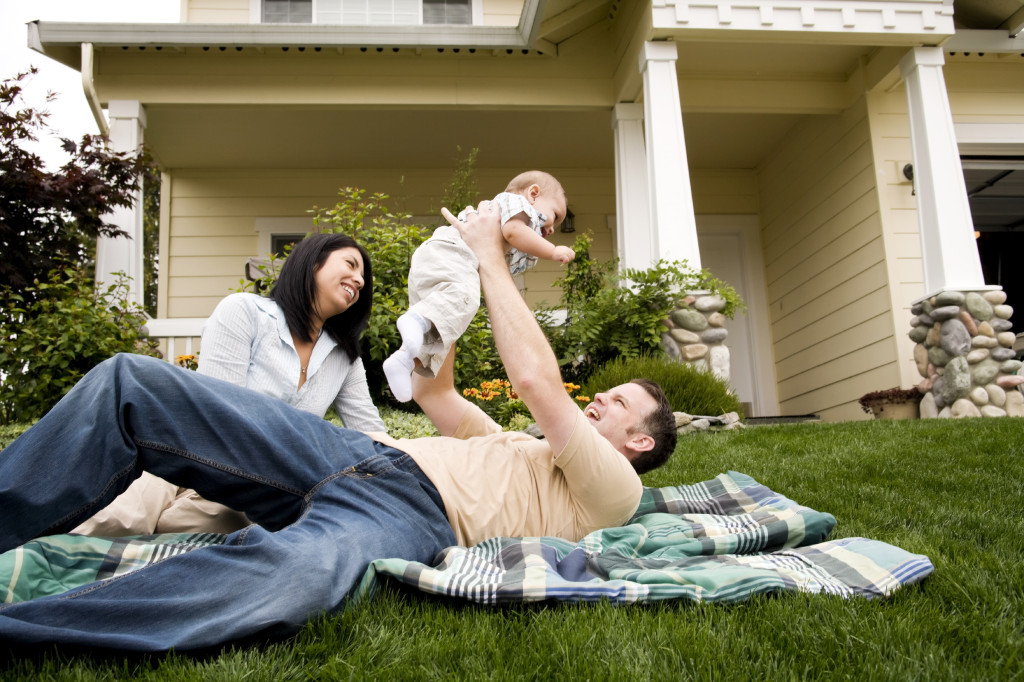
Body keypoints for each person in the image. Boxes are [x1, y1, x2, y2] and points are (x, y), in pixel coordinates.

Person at [0, 201, 677, 651]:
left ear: (639, 442)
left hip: (413, 514)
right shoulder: (518, 447)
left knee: (294, 580)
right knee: (133, 381)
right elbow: (432, 392)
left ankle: (23, 629)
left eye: (618, 403)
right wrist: (449, 294)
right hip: (349, 452)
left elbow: (535, 381)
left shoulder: (612, 486)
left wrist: (494, 262)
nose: (600, 401)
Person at [73, 233, 386, 537]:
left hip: (255, 491)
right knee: (115, 522)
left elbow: (371, 435)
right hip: (186, 456)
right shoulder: (245, 312)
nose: (359, 280)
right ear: (312, 263)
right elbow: (216, 413)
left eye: (363, 278)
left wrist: (420, 462)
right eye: (350, 264)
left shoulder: (344, 358)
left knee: (190, 533)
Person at [383, 170, 576, 402]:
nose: (553, 228)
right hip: (451, 251)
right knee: (464, 299)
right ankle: (416, 320)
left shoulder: (517, 223)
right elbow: (514, 233)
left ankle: (403, 361)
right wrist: (552, 251)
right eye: (556, 215)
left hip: (436, 262)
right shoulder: (517, 207)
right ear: (533, 194)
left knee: (443, 330)